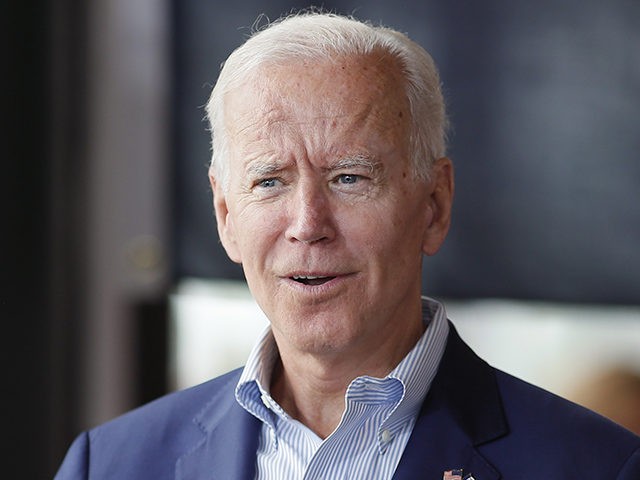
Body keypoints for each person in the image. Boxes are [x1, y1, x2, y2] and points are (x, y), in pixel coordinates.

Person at [55, 11, 640, 479]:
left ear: (434, 205)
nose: (308, 223)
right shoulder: (109, 465)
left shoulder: (596, 466)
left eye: (350, 178)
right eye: (269, 182)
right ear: (225, 216)